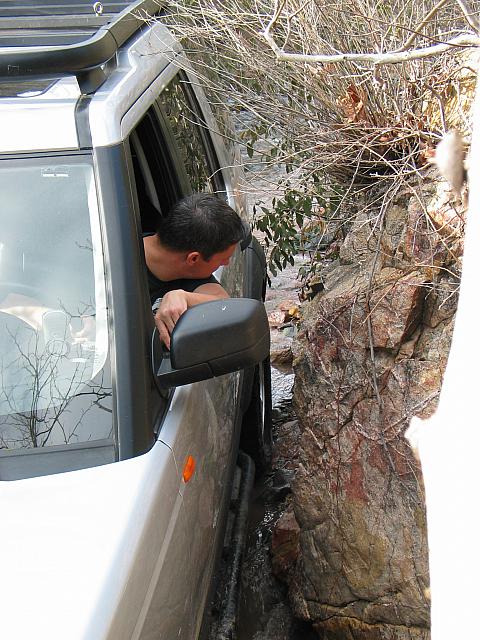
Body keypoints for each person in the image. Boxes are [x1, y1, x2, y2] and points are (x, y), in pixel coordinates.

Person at [143, 193, 245, 349]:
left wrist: (185, 297)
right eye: (223, 259)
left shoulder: (190, 271)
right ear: (193, 258)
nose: (227, 263)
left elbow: (225, 305)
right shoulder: (110, 270)